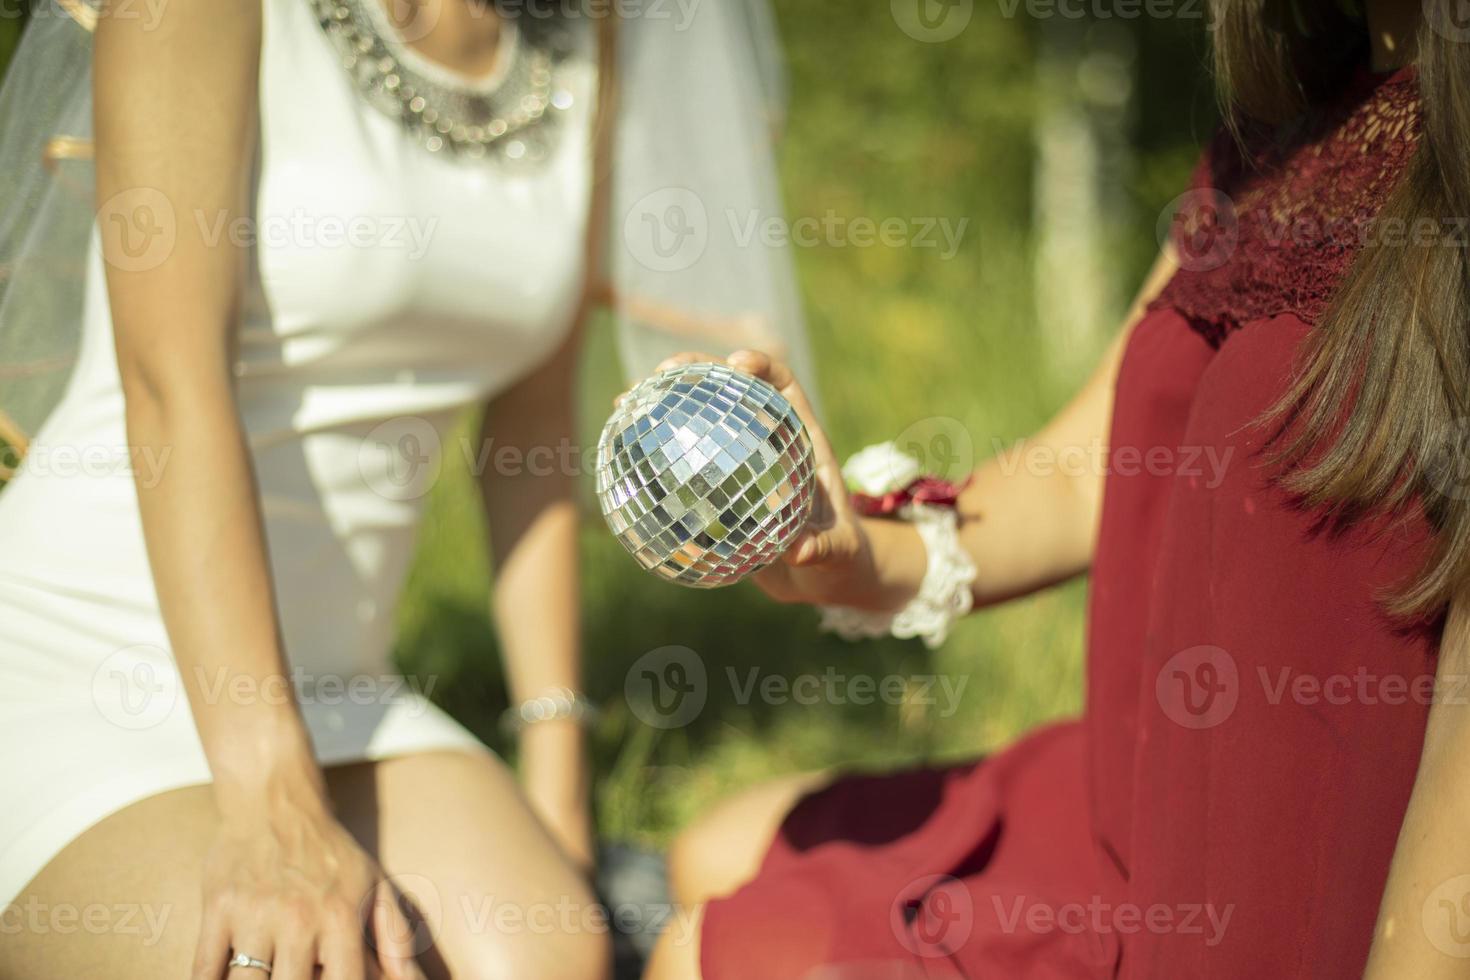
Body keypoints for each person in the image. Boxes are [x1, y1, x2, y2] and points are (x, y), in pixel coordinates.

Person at [646, 0, 1470, 976]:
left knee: (704, 952)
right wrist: (862, 555)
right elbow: (1090, 469)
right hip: (1137, 785)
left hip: (1288, 895)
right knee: (705, 849)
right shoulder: (1291, 126)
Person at [0, 0, 808, 977]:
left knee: (555, 956)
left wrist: (557, 784)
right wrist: (275, 804)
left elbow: (533, 427)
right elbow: (172, 385)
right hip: (86, 660)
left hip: (343, 681)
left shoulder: (584, 35)